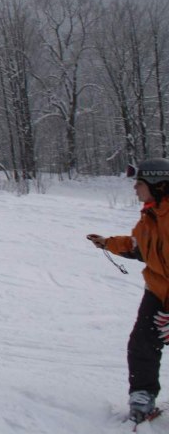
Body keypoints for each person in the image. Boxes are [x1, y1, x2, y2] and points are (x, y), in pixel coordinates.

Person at [88, 157, 169, 423]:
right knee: (142, 343)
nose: (135, 188)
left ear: (157, 185)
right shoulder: (150, 215)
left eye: (139, 183)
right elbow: (138, 247)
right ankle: (142, 396)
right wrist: (108, 243)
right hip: (157, 290)